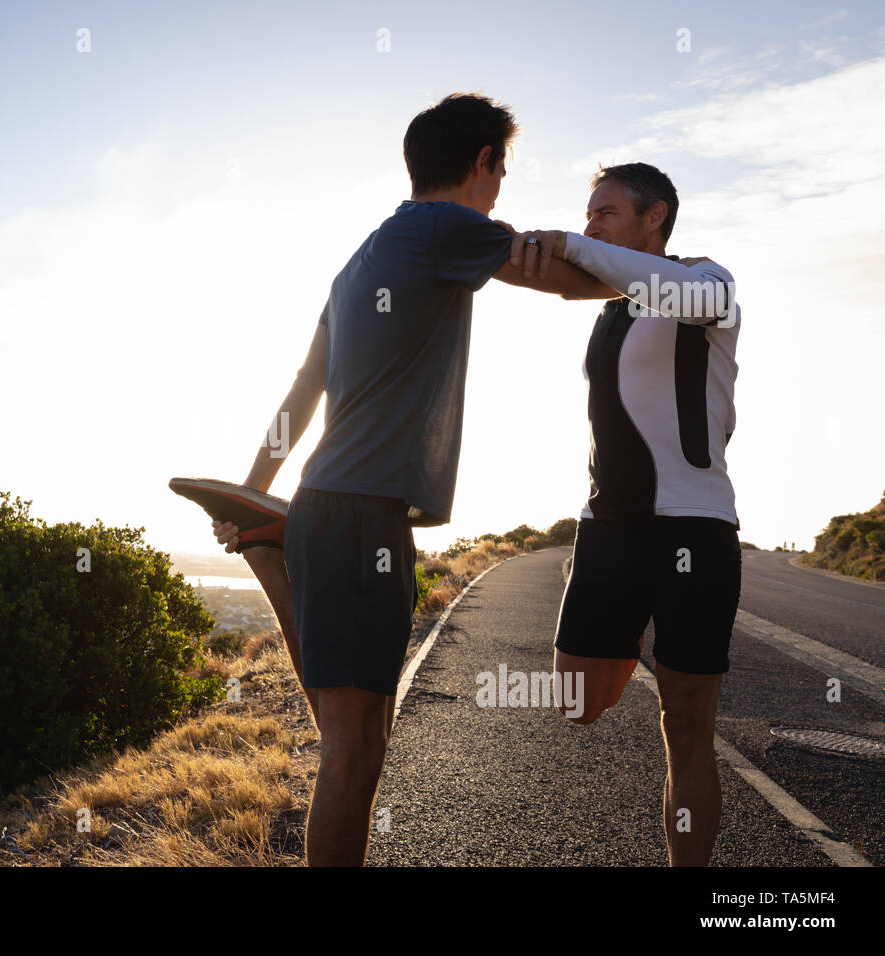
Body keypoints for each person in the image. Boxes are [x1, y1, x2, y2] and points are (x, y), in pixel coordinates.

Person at [183, 93, 616, 866]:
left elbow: (302, 392)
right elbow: (567, 281)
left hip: (332, 510)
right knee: (351, 754)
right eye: (501, 170)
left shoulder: (361, 259)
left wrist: (255, 490)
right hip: (358, 516)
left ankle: (265, 536)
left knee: (362, 745)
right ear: (480, 161)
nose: (501, 188)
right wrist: (663, 278)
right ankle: (263, 537)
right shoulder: (445, 227)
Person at [510, 162, 742, 866]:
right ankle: (643, 640)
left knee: (687, 728)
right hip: (609, 531)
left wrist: (574, 247)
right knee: (577, 703)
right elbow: (543, 271)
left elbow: (651, 283)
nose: (591, 225)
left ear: (656, 216)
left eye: (606, 212)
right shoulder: (611, 304)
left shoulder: (709, 283)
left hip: (693, 531)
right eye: (587, 213)